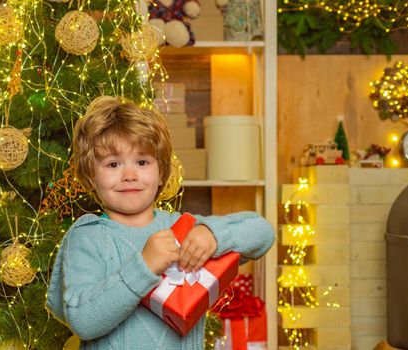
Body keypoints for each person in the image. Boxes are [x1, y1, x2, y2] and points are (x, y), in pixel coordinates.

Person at [46, 95, 275, 349]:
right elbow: (83, 322)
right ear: (90, 176)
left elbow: (262, 232)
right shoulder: (87, 238)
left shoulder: (182, 229)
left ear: (161, 172)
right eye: (113, 164)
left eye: (142, 162)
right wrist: (144, 266)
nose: (130, 176)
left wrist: (214, 236)